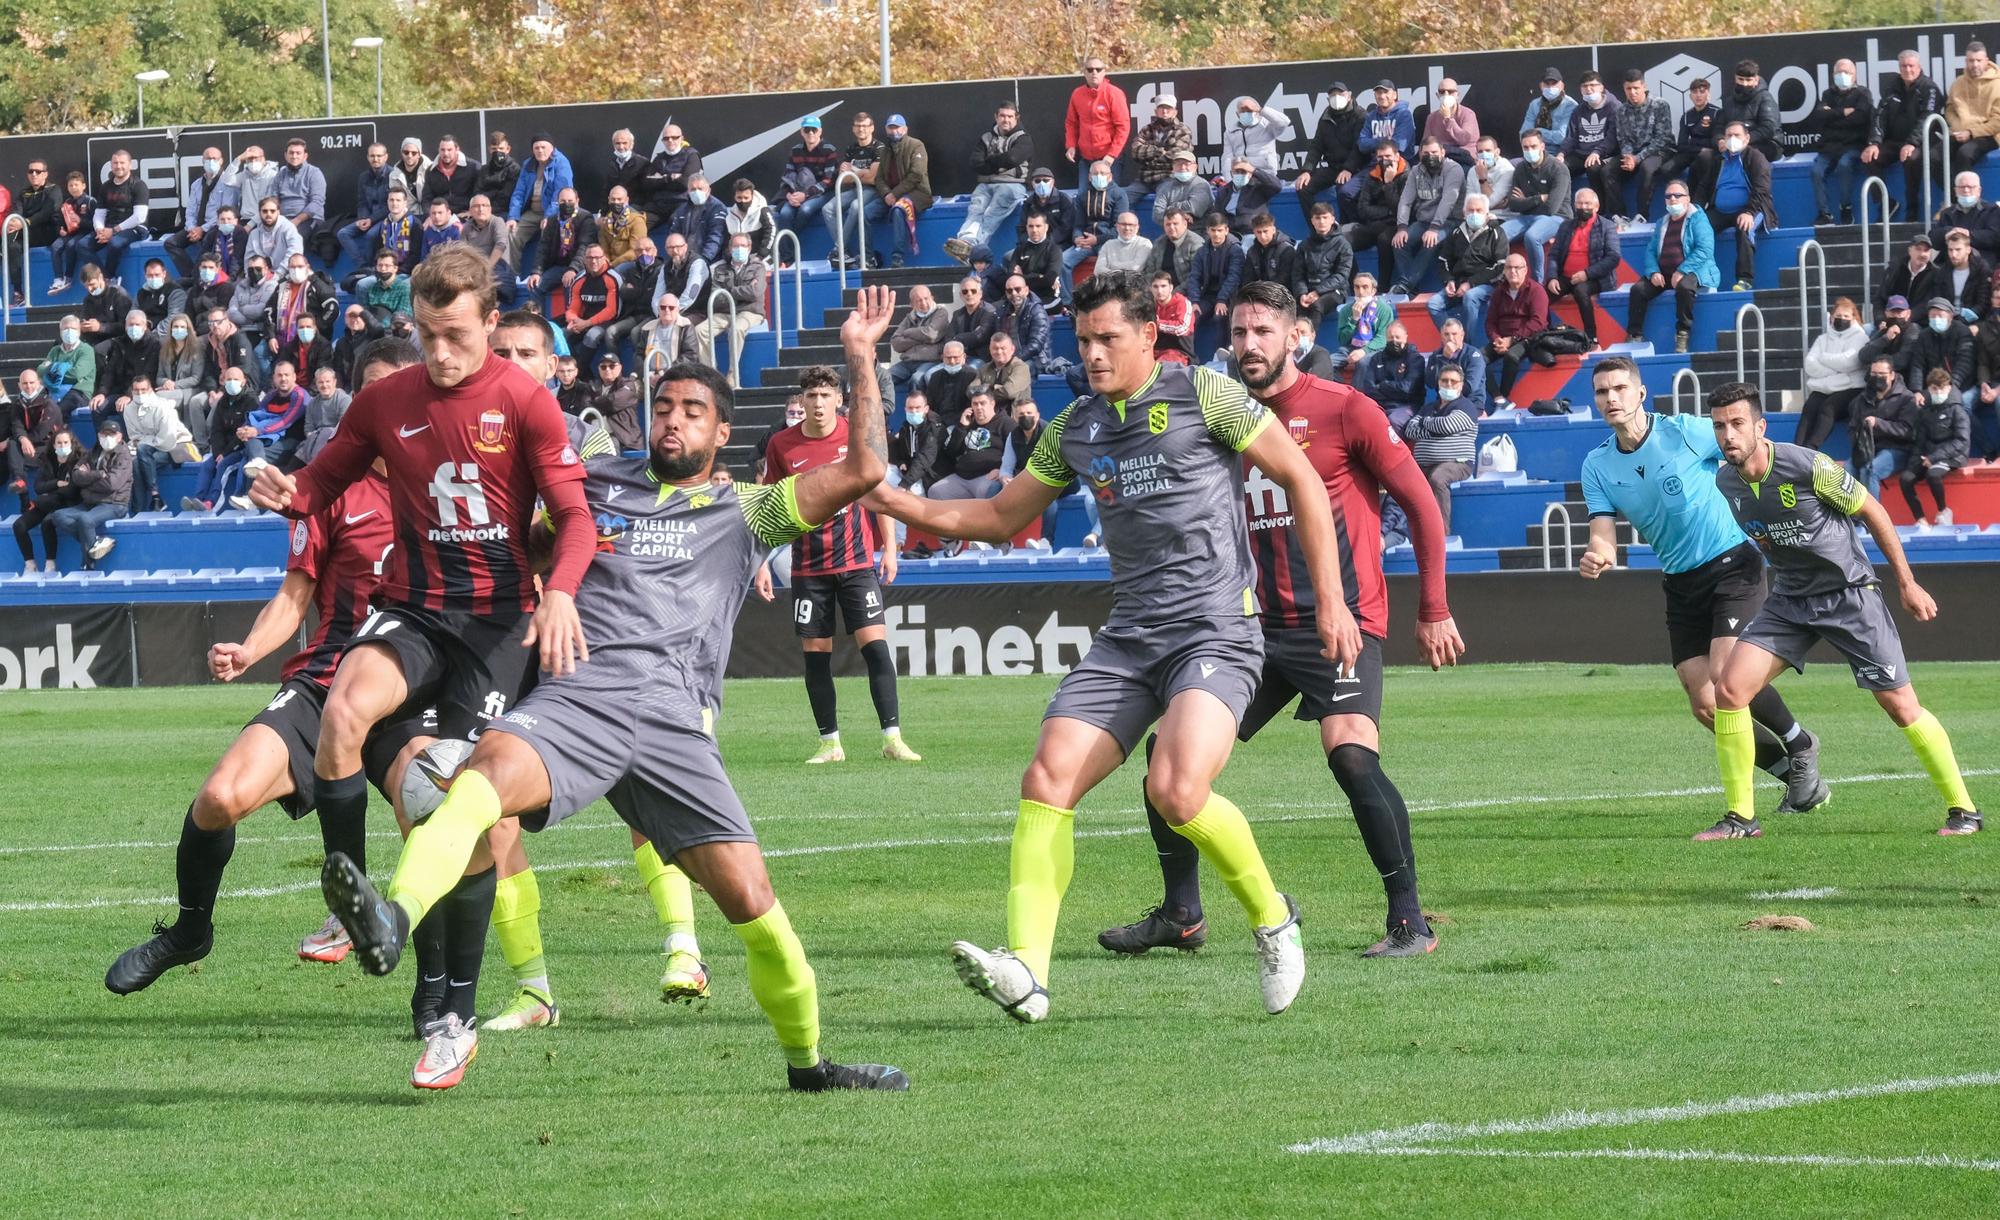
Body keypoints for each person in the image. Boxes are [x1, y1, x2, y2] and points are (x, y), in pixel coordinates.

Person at [322, 296, 912, 1092]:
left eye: (693, 411)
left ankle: (809, 1065)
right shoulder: (595, 485)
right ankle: (393, 919)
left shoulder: (749, 509)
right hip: (581, 700)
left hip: (674, 720)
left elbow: (866, 471)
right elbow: (524, 533)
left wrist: (860, 356)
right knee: (477, 787)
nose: (673, 421)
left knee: (754, 900)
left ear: (721, 434)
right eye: (664, 406)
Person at [869, 271, 1350, 1022]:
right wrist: (895, 500)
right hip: (1129, 639)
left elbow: (1304, 483)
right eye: (1082, 341)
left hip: (1216, 630)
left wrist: (1334, 604)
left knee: (1177, 790)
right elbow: (999, 517)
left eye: (1107, 340)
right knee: (1046, 778)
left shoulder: (1207, 396)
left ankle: (1273, 920)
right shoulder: (1076, 427)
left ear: (1148, 336)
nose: (1090, 355)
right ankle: (1026, 971)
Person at [247, 247, 596, 1087]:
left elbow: (575, 517)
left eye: (456, 336)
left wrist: (560, 594)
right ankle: (349, 895)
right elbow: (320, 482)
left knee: (456, 805)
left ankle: (456, 1015)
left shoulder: (526, 402)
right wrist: (286, 491)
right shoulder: (382, 402)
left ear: (486, 323)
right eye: (427, 334)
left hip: (496, 627)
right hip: (411, 609)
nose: (441, 353)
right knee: (341, 713)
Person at [1097, 278, 1460, 958]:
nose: (1249, 345)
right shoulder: (1212, 414)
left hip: (1338, 620)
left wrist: (1434, 607)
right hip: (1247, 631)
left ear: (1298, 335)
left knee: (1351, 754)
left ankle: (1410, 920)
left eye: (1263, 331)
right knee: (1166, 757)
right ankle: (1182, 914)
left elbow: (1419, 500)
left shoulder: (1343, 408)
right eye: (1238, 333)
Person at [103, 341, 446, 998]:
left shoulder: (447, 484)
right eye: (377, 390)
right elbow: (295, 595)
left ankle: (437, 996)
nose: (393, 402)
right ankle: (189, 931)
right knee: (217, 799)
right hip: (326, 684)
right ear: (360, 403)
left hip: (410, 690)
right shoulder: (331, 486)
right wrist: (248, 650)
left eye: (404, 387)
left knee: (429, 820)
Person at [1704, 383, 1980, 839]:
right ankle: (1740, 819)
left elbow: (1874, 511)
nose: (1728, 435)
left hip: (1848, 596)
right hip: (1790, 600)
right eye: (1719, 426)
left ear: (1760, 426)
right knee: (1730, 690)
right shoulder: (1726, 481)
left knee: (1900, 706)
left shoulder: (1806, 465)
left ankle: (1964, 811)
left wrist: (1907, 584)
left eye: (1737, 424)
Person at [1577, 357, 1827, 822]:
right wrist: (1599, 554)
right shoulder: (1597, 464)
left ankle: (1799, 745)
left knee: (1725, 672)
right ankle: (1793, 773)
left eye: (1618, 389)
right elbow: (1602, 532)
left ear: (1640, 393)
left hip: (1733, 565)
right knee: (1706, 705)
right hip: (1680, 582)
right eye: (1600, 392)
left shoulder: (1686, 432)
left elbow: (1749, 452)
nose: (1610, 399)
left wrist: (1775, 514)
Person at [751, 364, 916, 765]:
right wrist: (759, 562)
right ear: (801, 402)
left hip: (857, 562)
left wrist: (890, 549)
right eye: (812, 397)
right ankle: (830, 743)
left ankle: (893, 738)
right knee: (816, 656)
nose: (819, 404)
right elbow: (767, 504)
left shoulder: (856, 436)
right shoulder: (781, 446)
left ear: (839, 399)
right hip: (808, 568)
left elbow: (880, 491)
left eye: (826, 396)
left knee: (876, 648)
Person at [1626, 180, 1714, 354]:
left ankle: (1683, 334)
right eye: (1668, 196)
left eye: (1678, 195)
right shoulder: (1662, 222)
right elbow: (1651, 250)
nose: (1673, 199)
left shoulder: (1699, 220)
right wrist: (1653, 272)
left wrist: (1682, 270)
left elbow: (1705, 250)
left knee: (1684, 288)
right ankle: (1634, 335)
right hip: (1663, 273)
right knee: (1638, 290)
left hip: (1693, 271)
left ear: (1687, 199)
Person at [947, 103, 1034, 261]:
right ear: (996, 117)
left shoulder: (1023, 138)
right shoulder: (986, 137)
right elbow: (975, 163)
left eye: (1009, 116)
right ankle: (966, 240)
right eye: (1002, 116)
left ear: (1016, 118)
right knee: (976, 209)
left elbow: (1013, 158)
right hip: (986, 185)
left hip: (1012, 186)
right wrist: (1001, 165)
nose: (1005, 119)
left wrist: (990, 162)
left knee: (991, 213)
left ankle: (973, 249)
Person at [1865, 50, 1945, 219]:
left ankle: (1912, 211)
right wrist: (1874, 142)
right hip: (1895, 142)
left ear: (1919, 67)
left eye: (1911, 66)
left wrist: (1912, 142)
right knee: (1870, 157)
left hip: (1921, 142)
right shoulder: (1892, 86)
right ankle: (1886, 204)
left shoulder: (1929, 88)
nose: (1908, 70)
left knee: (1911, 160)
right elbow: (1880, 115)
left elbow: (1927, 118)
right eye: (1904, 66)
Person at [1698, 122, 1776, 292]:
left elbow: (1762, 189)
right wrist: (1695, 211)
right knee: (1698, 228)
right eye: (1729, 135)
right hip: (1720, 211)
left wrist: (1749, 211)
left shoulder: (1756, 158)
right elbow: (1704, 187)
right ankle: (1702, 277)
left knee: (1744, 228)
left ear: (1747, 138)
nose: (1732, 139)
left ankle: (1744, 279)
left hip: (1752, 209)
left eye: (1737, 135)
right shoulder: (1718, 160)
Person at [1402, 363, 1478, 531]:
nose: (1449, 384)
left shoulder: (1466, 406)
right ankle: (1407, 532)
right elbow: (1410, 430)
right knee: (1403, 483)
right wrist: (1435, 430)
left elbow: (1447, 426)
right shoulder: (1428, 407)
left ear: (1461, 385)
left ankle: (1440, 532)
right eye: (1444, 381)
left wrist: (1425, 422)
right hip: (1424, 464)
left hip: (1458, 463)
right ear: (1438, 383)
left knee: (1438, 479)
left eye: (1453, 381)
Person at [48, 415, 130, 567]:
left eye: (111, 434)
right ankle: (95, 542)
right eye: (104, 434)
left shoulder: (123, 455)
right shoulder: (93, 451)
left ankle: (87, 564)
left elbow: (112, 484)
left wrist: (87, 480)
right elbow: (76, 475)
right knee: (58, 516)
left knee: (85, 520)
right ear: (99, 435)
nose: (107, 437)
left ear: (119, 436)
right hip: (91, 502)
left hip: (113, 503)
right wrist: (98, 475)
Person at [1387, 136, 1464, 294]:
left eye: (1434, 152)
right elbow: (1405, 201)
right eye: (1426, 153)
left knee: (1431, 242)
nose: (1430, 156)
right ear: (1420, 154)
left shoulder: (1454, 169)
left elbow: (1448, 201)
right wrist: (1401, 227)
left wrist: (1435, 228)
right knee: (1399, 242)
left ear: (1442, 152)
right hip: (1423, 221)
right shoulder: (1416, 170)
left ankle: (1406, 284)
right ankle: (1411, 287)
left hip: (1450, 220)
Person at [1544, 188, 1618, 348]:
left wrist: (1587, 274)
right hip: (1566, 277)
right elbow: (1554, 254)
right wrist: (1552, 277)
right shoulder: (1566, 226)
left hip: (1595, 278)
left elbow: (1613, 257)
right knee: (1541, 295)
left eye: (1587, 203)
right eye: (1579, 203)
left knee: (1581, 290)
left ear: (1596, 207)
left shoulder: (1607, 226)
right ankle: (1544, 334)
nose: (1583, 207)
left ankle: (1592, 338)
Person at [1428, 191, 1504, 341]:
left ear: (1487, 213)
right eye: (1470, 210)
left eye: (1479, 210)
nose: (1474, 214)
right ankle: (1456, 341)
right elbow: (1443, 260)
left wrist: (1471, 283)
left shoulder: (1496, 232)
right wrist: (1449, 280)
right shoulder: (1456, 232)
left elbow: (1500, 265)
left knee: (1470, 296)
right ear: (1464, 213)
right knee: (1434, 304)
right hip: (1457, 284)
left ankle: (1466, 346)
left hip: (1487, 284)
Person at [1900, 367, 1972, 528]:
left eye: (1942, 388)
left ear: (1948, 387)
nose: (1938, 392)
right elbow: (1920, 442)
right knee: (1905, 479)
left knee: (1933, 474)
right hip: (1929, 455)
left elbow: (1961, 441)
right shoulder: (1925, 412)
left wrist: (1933, 458)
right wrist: (1914, 464)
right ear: (1929, 389)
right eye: (1934, 388)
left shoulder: (1958, 410)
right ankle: (1920, 520)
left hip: (1953, 456)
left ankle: (1943, 511)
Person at [1796, 298, 1870, 450]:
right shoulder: (1823, 339)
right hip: (1826, 387)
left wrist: (1823, 358)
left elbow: (1850, 362)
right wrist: (1837, 370)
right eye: (1838, 315)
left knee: (1828, 407)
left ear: (1854, 318)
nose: (1841, 319)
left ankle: (1811, 449)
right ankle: (1796, 449)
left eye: (1846, 316)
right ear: (1832, 316)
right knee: (1810, 407)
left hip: (1851, 388)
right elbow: (1810, 365)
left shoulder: (1860, 337)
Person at [1812, 60, 1875, 225]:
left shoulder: (1863, 94)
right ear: (1833, 75)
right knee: (1816, 171)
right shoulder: (1827, 94)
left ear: (1855, 75)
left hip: (1853, 145)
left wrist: (1832, 115)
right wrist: (1843, 112)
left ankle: (1845, 207)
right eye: (1839, 73)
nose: (1843, 76)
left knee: (1844, 165)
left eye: (1847, 72)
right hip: (1829, 146)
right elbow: (1819, 117)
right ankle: (1824, 214)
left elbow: (1860, 119)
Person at [1502, 130, 1570, 283]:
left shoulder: (1558, 169)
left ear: (1542, 146)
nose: (1529, 151)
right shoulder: (1520, 168)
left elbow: (1551, 208)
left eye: (1533, 146)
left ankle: (1537, 283)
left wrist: (1525, 202)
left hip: (1557, 217)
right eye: (1525, 147)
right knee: (1499, 235)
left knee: (1532, 237)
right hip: (1527, 216)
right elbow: (1513, 204)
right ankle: (1502, 280)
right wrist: (1539, 198)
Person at [13, 427, 82, 572]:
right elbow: (38, 487)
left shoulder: (78, 461)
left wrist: (47, 493)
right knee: (19, 525)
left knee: (47, 523)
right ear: (54, 445)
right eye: (59, 443)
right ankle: (30, 564)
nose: (62, 446)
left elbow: (71, 491)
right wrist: (57, 483)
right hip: (46, 503)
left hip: (65, 504)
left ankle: (50, 563)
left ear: (72, 443)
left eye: (65, 442)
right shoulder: (47, 459)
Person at [823, 113, 888, 270]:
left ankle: (838, 248)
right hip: (855, 188)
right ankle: (843, 252)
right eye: (858, 126)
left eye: (865, 126)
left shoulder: (879, 147)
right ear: (853, 129)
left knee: (855, 206)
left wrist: (853, 171)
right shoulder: (851, 148)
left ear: (872, 128)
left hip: (874, 191)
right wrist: (861, 172)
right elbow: (843, 178)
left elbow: (873, 179)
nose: (861, 129)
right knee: (828, 208)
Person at [1848, 355, 1919, 495]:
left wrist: (1878, 424)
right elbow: (1852, 427)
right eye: (1874, 374)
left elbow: (1908, 431)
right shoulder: (1862, 398)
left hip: (1898, 449)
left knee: (1869, 470)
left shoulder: (1906, 398)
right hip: (1868, 449)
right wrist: (1859, 439)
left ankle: (1871, 516)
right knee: (1847, 471)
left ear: (1892, 375)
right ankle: (1849, 515)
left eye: (1882, 374)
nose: (1877, 377)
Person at [1485, 254, 1548, 410]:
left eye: (1517, 268)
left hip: (1528, 339)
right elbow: (1490, 322)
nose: (1513, 271)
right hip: (1501, 339)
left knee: (1511, 356)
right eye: (1509, 268)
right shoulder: (1499, 292)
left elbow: (1538, 323)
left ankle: (1504, 396)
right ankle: (1499, 398)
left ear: (1525, 270)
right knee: (1477, 358)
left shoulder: (1536, 290)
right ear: (1504, 271)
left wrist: (1512, 340)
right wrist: (1497, 339)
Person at [1614, 70, 1674, 223]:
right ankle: (1620, 216)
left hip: (1660, 151)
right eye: (1629, 89)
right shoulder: (1621, 110)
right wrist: (1628, 157)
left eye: (1636, 88)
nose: (1633, 92)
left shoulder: (1660, 105)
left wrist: (1638, 158)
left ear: (1644, 86)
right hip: (1633, 154)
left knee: (1647, 168)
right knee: (1607, 171)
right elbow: (1623, 139)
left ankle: (1642, 216)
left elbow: (1662, 138)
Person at [1064, 54, 1130, 188]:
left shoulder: (1114, 93)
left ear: (1104, 72)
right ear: (1084, 73)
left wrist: (1111, 155)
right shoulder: (1077, 94)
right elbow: (1071, 123)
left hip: (1109, 158)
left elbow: (1123, 127)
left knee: (1110, 197)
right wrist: (1071, 145)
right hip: (1087, 158)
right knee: (1083, 196)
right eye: (1090, 69)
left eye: (1098, 69)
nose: (1094, 72)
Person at [1562, 72, 1622, 215]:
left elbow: (1612, 138)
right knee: (1560, 168)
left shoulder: (1614, 107)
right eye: (1585, 86)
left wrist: (1597, 152)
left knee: (1593, 168)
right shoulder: (1578, 110)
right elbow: (1571, 137)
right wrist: (1561, 153)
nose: (1589, 89)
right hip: (1582, 153)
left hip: (1605, 153)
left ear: (1601, 87)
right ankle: (1563, 213)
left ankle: (1599, 213)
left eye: (1592, 85)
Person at [773, 116, 841, 239]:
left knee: (805, 209)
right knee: (785, 213)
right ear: (801, 132)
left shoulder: (829, 150)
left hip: (825, 193)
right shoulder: (795, 150)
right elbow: (787, 176)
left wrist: (805, 195)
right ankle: (786, 256)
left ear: (820, 131)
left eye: (814, 130)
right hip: (798, 193)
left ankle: (789, 245)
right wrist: (788, 194)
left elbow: (828, 181)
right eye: (807, 129)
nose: (810, 133)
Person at [1945, 41, 2000, 174]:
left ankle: (1968, 193)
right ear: (1966, 61)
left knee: (1964, 154)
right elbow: (1950, 110)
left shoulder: (1997, 85)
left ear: (1986, 61)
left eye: (1978, 60)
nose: (1975, 64)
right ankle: (1955, 194)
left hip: (1988, 135)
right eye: (1971, 60)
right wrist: (1957, 127)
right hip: (1960, 132)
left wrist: (1971, 133)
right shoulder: (1958, 83)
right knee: (1934, 157)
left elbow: (1997, 122)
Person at [1331, 272, 1392, 375]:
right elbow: (1342, 340)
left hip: (1375, 350)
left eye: (1365, 287)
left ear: (1373, 291)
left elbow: (1382, 339)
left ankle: (1358, 391)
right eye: (1357, 287)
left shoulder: (1384, 310)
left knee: (1363, 362)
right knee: (1327, 363)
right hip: (1350, 349)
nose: (1360, 292)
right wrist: (1354, 319)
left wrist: (1363, 351)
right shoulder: (1345, 310)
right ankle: (1341, 389)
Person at [1426, 319, 1488, 417]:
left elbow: (1469, 388)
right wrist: (1444, 358)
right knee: (1420, 418)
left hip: (1471, 403)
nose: (1450, 338)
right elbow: (1430, 383)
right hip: (1443, 403)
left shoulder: (1473, 355)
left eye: (1454, 334)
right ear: (1441, 336)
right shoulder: (1436, 356)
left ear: (1462, 335)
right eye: (1446, 334)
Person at [1131, 94, 1193, 191]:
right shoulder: (1147, 129)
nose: (1165, 111)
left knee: (1162, 200)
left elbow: (1177, 157)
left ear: (1175, 112)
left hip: (1169, 177)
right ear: (1156, 111)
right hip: (1145, 179)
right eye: (1161, 107)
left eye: (1168, 108)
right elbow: (1135, 152)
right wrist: (1159, 151)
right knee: (1125, 197)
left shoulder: (1183, 130)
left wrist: (1149, 159)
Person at [1423, 77, 1480, 167]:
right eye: (1442, 92)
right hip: (1440, 158)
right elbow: (1426, 142)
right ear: (1437, 95)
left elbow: (1464, 140)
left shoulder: (1468, 114)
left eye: (1450, 91)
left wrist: (1448, 118)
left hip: (1464, 158)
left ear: (1457, 95)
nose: (1446, 95)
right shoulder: (1432, 117)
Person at [1521, 67, 1578, 147]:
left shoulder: (1570, 105)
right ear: (1541, 86)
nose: (1550, 87)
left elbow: (1561, 137)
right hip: (1536, 151)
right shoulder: (1534, 104)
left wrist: (1536, 132)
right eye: (1547, 84)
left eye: (1554, 84)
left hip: (1560, 153)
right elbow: (1523, 134)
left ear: (1562, 86)